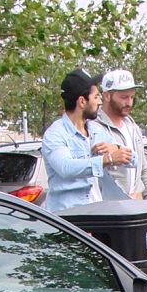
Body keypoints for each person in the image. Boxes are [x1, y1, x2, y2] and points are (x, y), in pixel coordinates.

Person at [41, 69, 125, 213]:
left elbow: (132, 159)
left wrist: (115, 148)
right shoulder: (55, 134)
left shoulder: (96, 130)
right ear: (82, 101)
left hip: (98, 214)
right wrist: (107, 159)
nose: (100, 101)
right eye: (96, 96)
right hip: (69, 219)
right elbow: (66, 168)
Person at [97, 68, 147, 201]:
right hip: (109, 211)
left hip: (136, 206)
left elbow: (143, 169)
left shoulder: (133, 127)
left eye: (132, 97)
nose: (129, 102)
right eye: (124, 97)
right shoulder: (94, 128)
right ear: (106, 96)